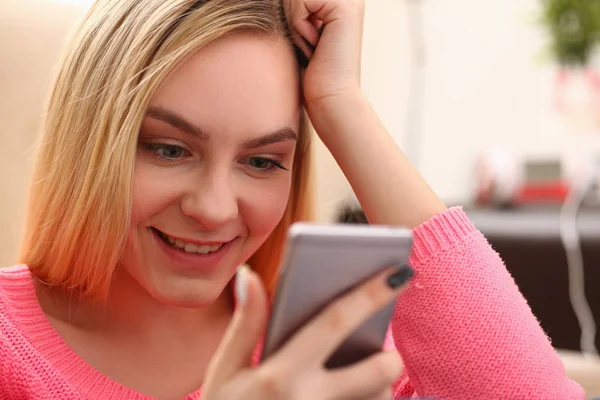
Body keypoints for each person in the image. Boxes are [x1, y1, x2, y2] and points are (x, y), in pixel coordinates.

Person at [0, 0, 585, 399]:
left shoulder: (327, 342)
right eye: (168, 148)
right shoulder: (11, 351)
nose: (215, 208)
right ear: (91, 139)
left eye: (261, 161)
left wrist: (340, 100)